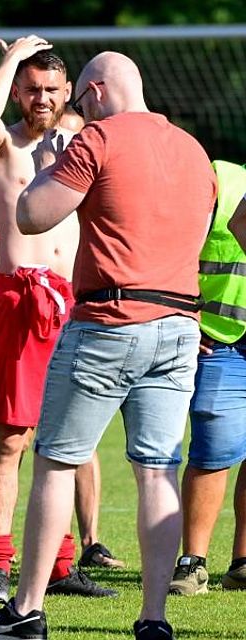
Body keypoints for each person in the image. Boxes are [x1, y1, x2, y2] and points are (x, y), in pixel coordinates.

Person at [0, 50, 216, 640]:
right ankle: (154, 619)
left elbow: (30, 215)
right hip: (179, 326)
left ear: (94, 91)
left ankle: (25, 611)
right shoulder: (192, 149)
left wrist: (54, 169)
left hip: (108, 319)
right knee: (157, 470)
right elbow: (198, 232)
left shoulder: (96, 140)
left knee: (54, 460)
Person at [0, 35, 115, 603]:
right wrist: (10, 60)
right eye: (31, 89)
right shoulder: (2, 147)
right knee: (11, 438)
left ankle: (61, 564)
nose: (41, 98)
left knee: (68, 437)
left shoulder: (84, 145)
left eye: (52, 89)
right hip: (18, 300)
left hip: (74, 303)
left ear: (68, 92)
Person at [0, 195, 124, 572]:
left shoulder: (83, 186)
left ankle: (86, 544)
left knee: (78, 436)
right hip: (24, 312)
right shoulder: (7, 187)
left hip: (76, 308)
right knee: (13, 439)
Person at [168, 161, 246, 596]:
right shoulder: (223, 178)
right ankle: (192, 562)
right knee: (214, 449)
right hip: (221, 339)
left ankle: (242, 563)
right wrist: (184, 307)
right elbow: (177, 246)